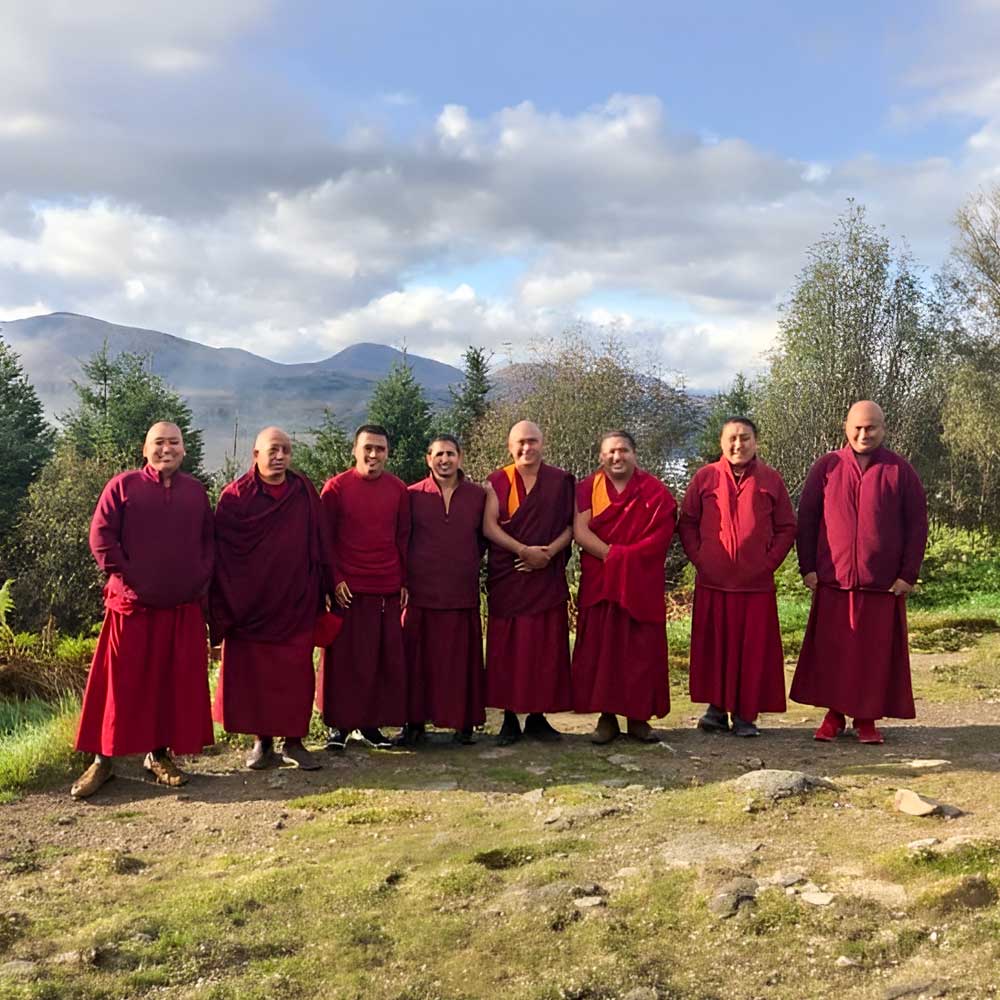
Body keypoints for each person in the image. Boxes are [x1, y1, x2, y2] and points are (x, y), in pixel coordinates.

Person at [71, 421, 215, 799]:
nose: (167, 449)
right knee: (120, 686)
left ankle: (159, 756)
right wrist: (133, 577)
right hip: (132, 607)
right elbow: (101, 538)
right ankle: (103, 762)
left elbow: (207, 542)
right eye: (159, 442)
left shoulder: (196, 492)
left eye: (174, 443)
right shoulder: (123, 486)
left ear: (184, 450)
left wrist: (198, 578)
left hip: (181, 606)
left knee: (169, 684)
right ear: (144, 448)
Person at [790, 401, 928, 745]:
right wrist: (807, 566)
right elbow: (806, 521)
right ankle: (834, 717)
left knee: (874, 658)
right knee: (833, 655)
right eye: (858, 428)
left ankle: (866, 720)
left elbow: (917, 526)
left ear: (883, 428)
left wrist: (907, 574)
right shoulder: (827, 466)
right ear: (845, 427)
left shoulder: (899, 470)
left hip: (882, 586)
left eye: (872, 428)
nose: (864, 434)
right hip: (833, 581)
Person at [210, 427, 333, 771]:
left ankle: (294, 741)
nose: (280, 456)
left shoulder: (303, 490)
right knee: (256, 678)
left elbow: (321, 538)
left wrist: (329, 582)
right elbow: (223, 553)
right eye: (273, 450)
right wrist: (230, 603)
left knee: (295, 675)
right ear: (256, 455)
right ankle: (261, 743)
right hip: (251, 603)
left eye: (286, 450)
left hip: (296, 598)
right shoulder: (235, 496)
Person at [679, 418, 797, 737]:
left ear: (755, 442)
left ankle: (746, 714)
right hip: (713, 581)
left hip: (755, 584)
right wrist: (700, 558)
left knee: (752, 650)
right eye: (731, 438)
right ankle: (716, 710)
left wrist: (769, 562)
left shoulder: (770, 479)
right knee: (715, 648)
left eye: (745, 438)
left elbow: (787, 526)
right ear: (721, 442)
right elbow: (687, 522)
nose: (738, 444)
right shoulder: (705, 478)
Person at [572, 431, 677, 743]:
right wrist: (613, 556)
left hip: (640, 582)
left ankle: (638, 717)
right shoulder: (588, 487)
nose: (617, 457)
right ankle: (606, 718)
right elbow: (580, 530)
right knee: (602, 649)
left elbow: (661, 535)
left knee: (640, 649)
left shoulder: (654, 491)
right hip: (602, 579)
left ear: (634, 454)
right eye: (610, 452)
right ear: (601, 457)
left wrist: (621, 558)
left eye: (623, 451)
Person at [483, 420, 574, 745]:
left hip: (545, 575)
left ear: (542, 443)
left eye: (532, 441)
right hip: (510, 575)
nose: (527, 448)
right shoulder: (498, 480)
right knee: (507, 648)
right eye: (520, 442)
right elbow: (489, 526)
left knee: (544, 647)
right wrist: (523, 550)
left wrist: (548, 554)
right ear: (510, 447)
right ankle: (509, 717)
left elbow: (570, 526)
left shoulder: (560, 480)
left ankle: (538, 716)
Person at [318, 425, 410, 750]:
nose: (373, 455)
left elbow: (404, 539)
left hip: (386, 586)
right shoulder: (336, 488)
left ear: (388, 452)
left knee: (379, 659)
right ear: (354, 450)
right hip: (348, 589)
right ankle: (339, 728)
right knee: (343, 661)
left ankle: (371, 726)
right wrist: (335, 579)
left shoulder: (398, 490)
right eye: (367, 448)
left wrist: (403, 580)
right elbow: (324, 540)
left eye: (380, 449)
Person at [399, 435, 487, 746]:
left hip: (460, 591)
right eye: (439, 454)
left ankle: (463, 723)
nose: (444, 460)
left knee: (459, 661)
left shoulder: (478, 496)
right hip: (420, 591)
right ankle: (414, 724)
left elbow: (483, 538)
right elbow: (402, 538)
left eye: (450, 454)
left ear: (460, 457)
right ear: (428, 459)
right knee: (416, 661)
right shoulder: (411, 495)